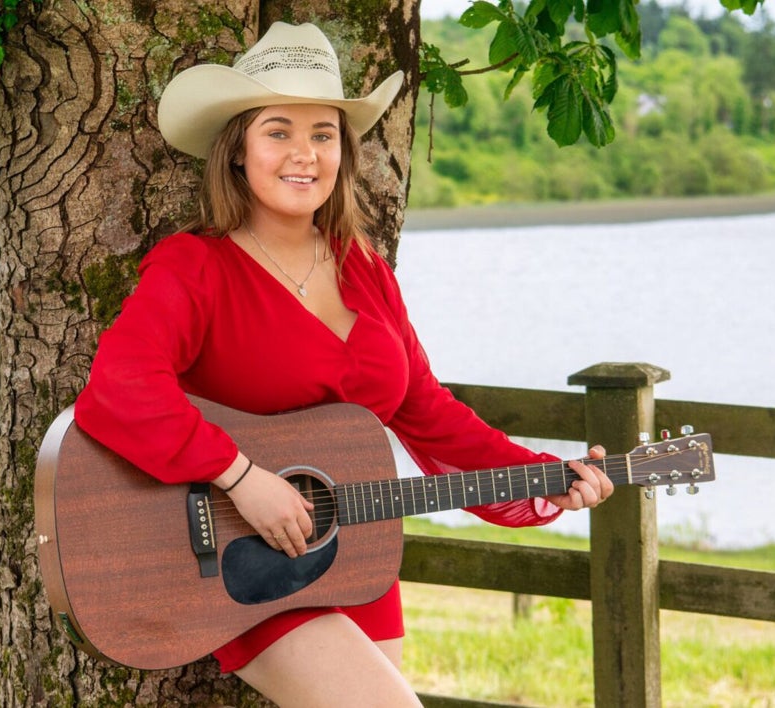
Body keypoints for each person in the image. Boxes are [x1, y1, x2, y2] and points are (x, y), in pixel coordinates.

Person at [73, 21, 614, 708]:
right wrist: (239, 477)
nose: (304, 154)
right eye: (278, 131)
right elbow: (121, 388)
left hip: (351, 555)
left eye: (323, 134)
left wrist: (539, 476)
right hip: (236, 561)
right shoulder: (195, 267)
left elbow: (428, 414)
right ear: (237, 149)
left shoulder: (365, 273)